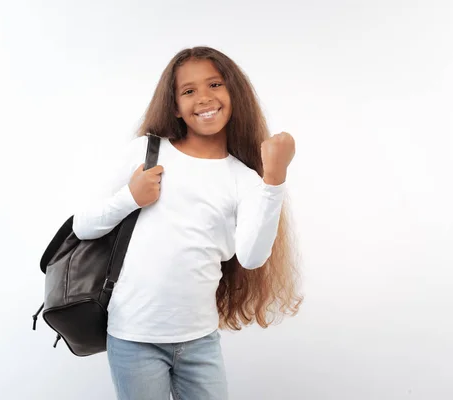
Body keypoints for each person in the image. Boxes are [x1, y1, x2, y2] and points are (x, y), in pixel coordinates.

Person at [72, 46, 303, 400]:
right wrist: (131, 198)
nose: (204, 98)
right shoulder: (146, 152)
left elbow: (252, 257)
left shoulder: (245, 179)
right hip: (135, 337)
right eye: (189, 91)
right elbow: (82, 226)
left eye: (215, 84)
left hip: (199, 341)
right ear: (175, 105)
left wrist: (274, 179)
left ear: (234, 93)